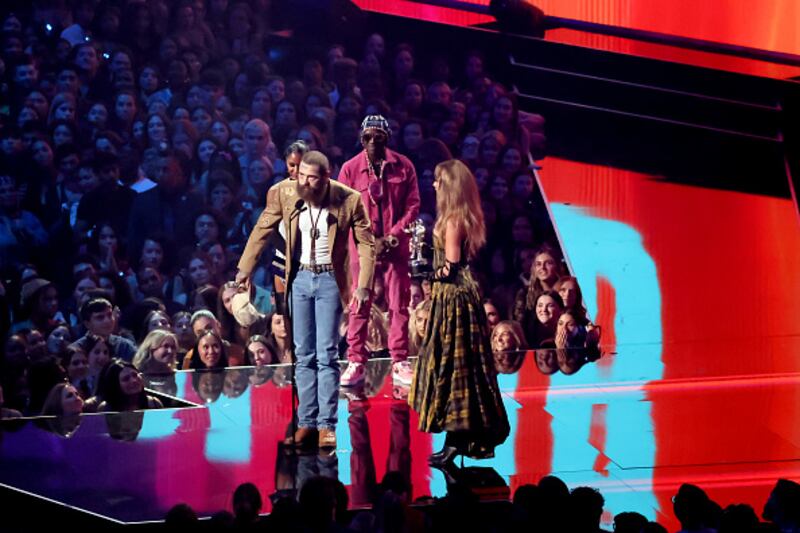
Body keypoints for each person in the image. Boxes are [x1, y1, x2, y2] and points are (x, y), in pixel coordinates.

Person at [236, 150, 375, 450]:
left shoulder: (349, 200)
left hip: (329, 280)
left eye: (312, 178)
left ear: (326, 177)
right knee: (303, 354)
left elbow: (366, 245)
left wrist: (363, 286)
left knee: (326, 354)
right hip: (298, 278)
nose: (304, 182)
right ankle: (307, 422)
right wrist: (245, 269)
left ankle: (327, 425)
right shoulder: (285, 193)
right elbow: (262, 228)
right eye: (301, 176)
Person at [408, 159, 509, 467]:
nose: (434, 184)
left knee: (455, 369)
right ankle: (454, 440)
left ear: (449, 185)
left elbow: (450, 267)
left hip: (454, 300)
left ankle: (456, 440)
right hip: (453, 296)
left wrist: (426, 272)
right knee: (454, 368)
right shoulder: (457, 217)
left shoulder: (454, 221)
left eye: (439, 180)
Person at [338, 115, 420, 387]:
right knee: (359, 302)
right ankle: (356, 361)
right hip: (363, 247)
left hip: (395, 247)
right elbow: (343, 209)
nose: (373, 142)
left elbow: (413, 206)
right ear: (361, 139)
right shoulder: (350, 169)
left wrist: (392, 236)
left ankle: (399, 360)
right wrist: (369, 241)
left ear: (388, 138)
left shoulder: (404, 166)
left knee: (398, 303)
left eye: (378, 137)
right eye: (367, 137)